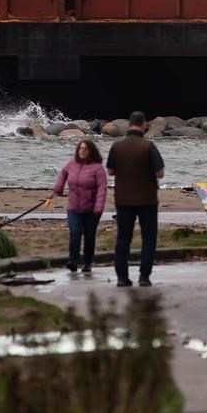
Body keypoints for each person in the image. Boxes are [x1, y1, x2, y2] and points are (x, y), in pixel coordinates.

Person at [106, 111, 165, 287]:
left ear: (129, 124)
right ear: (143, 125)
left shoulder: (116, 146)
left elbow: (110, 171)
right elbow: (160, 173)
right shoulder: (148, 146)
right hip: (147, 199)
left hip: (123, 199)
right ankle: (144, 277)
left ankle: (122, 277)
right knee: (148, 238)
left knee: (123, 238)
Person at [53, 139, 107, 273]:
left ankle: (87, 263)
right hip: (73, 207)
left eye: (85, 149)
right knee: (75, 233)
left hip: (92, 209)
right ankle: (73, 260)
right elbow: (63, 174)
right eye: (80, 148)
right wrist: (58, 188)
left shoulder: (97, 168)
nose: (82, 151)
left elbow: (102, 189)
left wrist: (98, 207)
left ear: (91, 151)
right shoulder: (71, 164)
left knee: (89, 236)